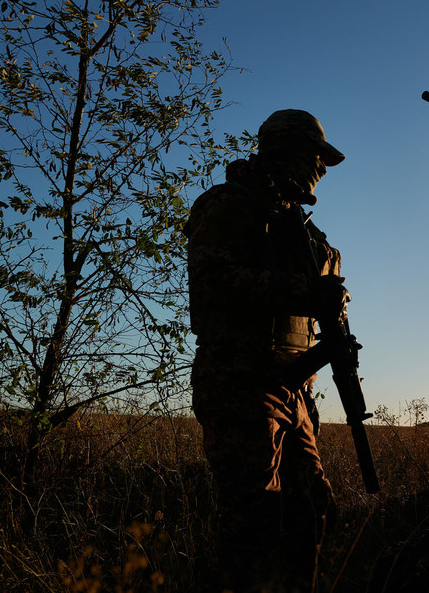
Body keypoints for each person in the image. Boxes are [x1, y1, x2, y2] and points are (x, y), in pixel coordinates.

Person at [184, 109, 351, 592]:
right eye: (317, 157)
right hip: (240, 383)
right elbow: (213, 281)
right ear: (291, 152)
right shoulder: (230, 205)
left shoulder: (299, 227)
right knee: (252, 524)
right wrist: (304, 291)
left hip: (292, 388)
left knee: (311, 511)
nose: (321, 168)